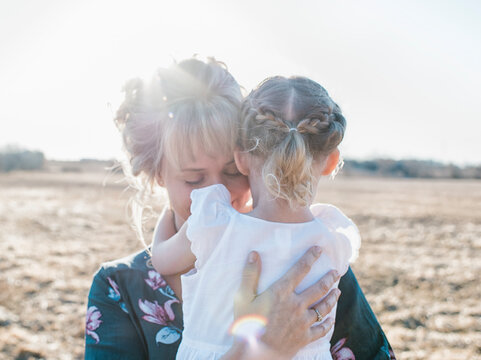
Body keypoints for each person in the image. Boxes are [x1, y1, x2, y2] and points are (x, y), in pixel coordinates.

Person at [85, 57, 395, 359]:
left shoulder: (314, 265)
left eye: (232, 171)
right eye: (193, 179)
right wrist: (262, 351)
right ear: (157, 174)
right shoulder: (119, 287)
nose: (215, 195)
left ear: (250, 161)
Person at [151, 75, 360, 359]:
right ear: (331, 162)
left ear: (241, 159)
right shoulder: (334, 238)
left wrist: (168, 217)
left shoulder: (214, 224)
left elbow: (161, 259)